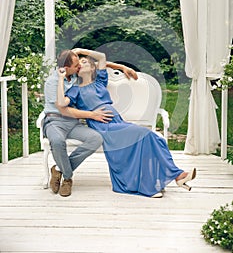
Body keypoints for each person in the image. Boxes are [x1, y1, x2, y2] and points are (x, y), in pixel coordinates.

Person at [57, 48, 197, 199]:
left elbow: (102, 56)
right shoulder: (75, 90)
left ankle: (162, 180)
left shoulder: (100, 81)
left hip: (117, 121)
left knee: (155, 139)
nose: (80, 64)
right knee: (146, 134)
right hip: (103, 126)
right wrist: (60, 78)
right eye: (79, 63)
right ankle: (176, 176)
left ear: (93, 68)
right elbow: (61, 103)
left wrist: (79, 50)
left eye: (84, 62)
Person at [44, 49, 138, 197]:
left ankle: (59, 169)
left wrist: (121, 67)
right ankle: (68, 178)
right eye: (76, 65)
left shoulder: (74, 75)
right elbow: (63, 110)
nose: (79, 67)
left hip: (74, 123)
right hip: (55, 121)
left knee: (96, 138)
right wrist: (92, 115)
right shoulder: (52, 82)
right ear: (66, 68)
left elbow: (98, 63)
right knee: (57, 141)